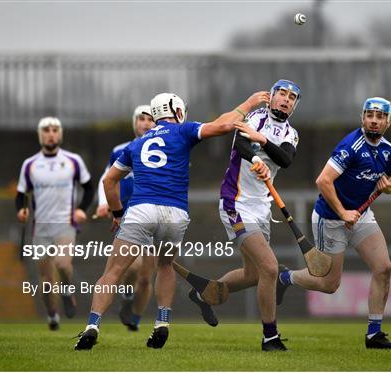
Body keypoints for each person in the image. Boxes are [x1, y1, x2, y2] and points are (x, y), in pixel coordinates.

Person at [74, 90, 270, 350]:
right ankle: (162, 322)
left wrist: (118, 213)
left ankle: (92, 325)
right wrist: (249, 102)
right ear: (177, 111)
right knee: (165, 266)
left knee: (112, 273)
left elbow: (110, 181)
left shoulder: (137, 143)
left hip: (141, 210)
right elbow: (223, 125)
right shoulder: (183, 131)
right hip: (175, 214)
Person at [276, 97, 391, 350]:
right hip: (331, 219)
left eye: (379, 117)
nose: (374, 121)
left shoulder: (388, 150)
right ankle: (285, 277)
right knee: (329, 284)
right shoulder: (351, 146)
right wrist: (343, 212)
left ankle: (373, 334)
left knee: (384, 268)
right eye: (369, 115)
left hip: (361, 216)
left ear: (388, 122)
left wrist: (390, 188)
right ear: (362, 118)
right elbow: (323, 181)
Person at [188, 79, 301, 352]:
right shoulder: (255, 117)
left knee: (254, 274)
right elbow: (241, 145)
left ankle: (203, 295)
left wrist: (263, 143)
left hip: (262, 208)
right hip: (236, 203)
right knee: (271, 268)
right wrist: (258, 157)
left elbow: (285, 159)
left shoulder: (291, 133)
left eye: (292, 97)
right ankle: (270, 336)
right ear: (270, 97)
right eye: (282, 94)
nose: (286, 100)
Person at [16, 116, 94, 330]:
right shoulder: (30, 164)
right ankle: (52, 315)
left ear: (60, 134)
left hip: (65, 224)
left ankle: (67, 291)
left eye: (54, 130)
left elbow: (89, 187)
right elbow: (21, 194)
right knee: (46, 279)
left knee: (62, 263)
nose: (51, 133)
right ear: (40, 135)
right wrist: (21, 210)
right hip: (40, 227)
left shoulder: (73, 161)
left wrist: (80, 209)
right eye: (46, 130)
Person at [95, 105, 155, 331]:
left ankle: (134, 319)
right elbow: (107, 178)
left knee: (146, 278)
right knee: (132, 268)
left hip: (156, 218)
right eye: (142, 118)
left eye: (151, 119)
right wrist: (104, 204)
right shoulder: (121, 150)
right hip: (128, 219)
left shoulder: (166, 150)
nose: (146, 123)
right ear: (134, 122)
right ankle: (128, 296)